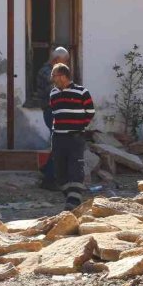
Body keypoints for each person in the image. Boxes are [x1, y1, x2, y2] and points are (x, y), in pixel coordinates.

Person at [49, 63, 95, 210]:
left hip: (75, 138)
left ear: (63, 76)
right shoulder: (53, 93)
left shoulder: (82, 92)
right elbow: (55, 113)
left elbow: (90, 112)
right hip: (58, 138)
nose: (52, 79)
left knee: (75, 169)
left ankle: (72, 203)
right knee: (60, 171)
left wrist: (80, 126)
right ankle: (72, 199)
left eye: (54, 75)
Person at [36, 47, 70, 190]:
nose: (66, 65)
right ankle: (49, 179)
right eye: (64, 61)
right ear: (56, 60)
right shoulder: (46, 72)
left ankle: (48, 171)